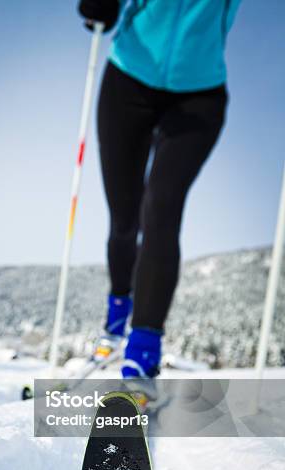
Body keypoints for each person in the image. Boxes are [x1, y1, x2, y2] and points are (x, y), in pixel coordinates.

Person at [78, 0, 241, 379]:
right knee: (124, 219)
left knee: (161, 209)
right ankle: (115, 320)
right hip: (128, 79)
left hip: (200, 94)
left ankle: (142, 353)